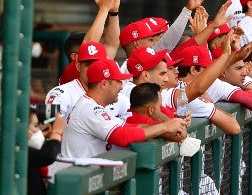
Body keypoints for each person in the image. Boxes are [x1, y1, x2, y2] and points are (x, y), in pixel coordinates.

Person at [60, 59, 188, 159]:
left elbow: (128, 128)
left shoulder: (96, 106)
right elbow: (121, 136)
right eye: (118, 82)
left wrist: (167, 127)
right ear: (104, 84)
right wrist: (165, 127)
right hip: (79, 184)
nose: (121, 87)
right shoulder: (88, 109)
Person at [46, 42, 130, 122]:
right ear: (78, 66)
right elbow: (48, 125)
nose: (93, 69)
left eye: (98, 64)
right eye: (88, 64)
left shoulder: (118, 97)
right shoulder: (59, 94)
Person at [27, 107, 66, 195]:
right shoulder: (16, 149)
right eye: (35, 126)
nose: (38, 131)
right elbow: (48, 155)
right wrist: (56, 132)